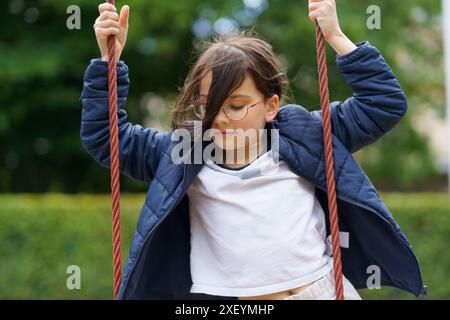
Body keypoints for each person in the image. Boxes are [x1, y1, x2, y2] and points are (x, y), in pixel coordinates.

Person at [80, 0, 425, 300]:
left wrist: (335, 36)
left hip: (324, 289)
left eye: (236, 106)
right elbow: (107, 139)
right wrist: (108, 63)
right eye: (207, 105)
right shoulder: (183, 152)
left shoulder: (304, 134)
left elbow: (383, 104)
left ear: (270, 105)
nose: (220, 119)